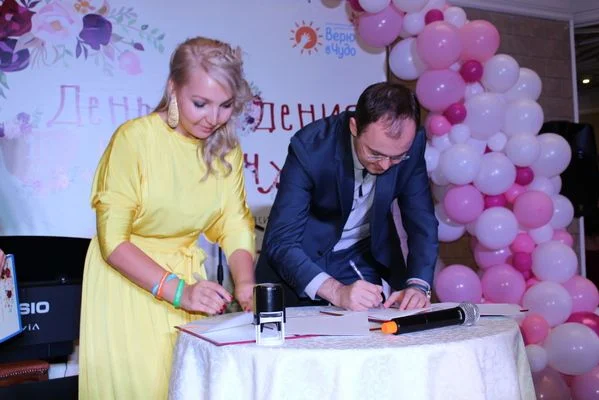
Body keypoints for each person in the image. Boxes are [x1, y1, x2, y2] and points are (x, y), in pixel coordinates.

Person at [79, 37, 256, 399]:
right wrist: (179, 292)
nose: (213, 119)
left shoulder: (227, 150)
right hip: (128, 281)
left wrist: (245, 283)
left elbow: (234, 223)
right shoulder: (134, 139)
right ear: (173, 88)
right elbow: (113, 241)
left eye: (225, 106)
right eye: (200, 104)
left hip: (188, 284)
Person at [255, 82, 438, 311]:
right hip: (301, 264)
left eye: (396, 157)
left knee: (380, 327)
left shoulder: (413, 144)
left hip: (360, 257)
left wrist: (418, 286)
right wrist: (336, 291)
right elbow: (282, 241)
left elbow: (422, 221)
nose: (385, 165)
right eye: (375, 154)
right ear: (354, 126)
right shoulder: (311, 148)